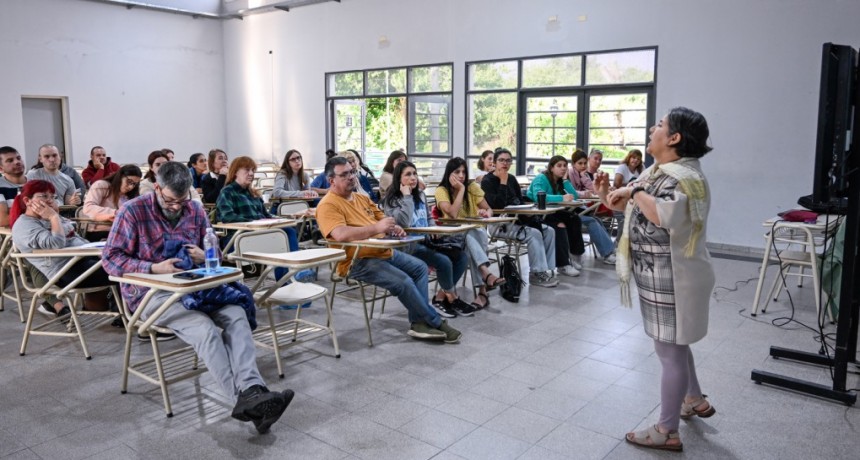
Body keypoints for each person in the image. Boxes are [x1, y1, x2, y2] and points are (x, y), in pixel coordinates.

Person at [102, 161, 294, 434]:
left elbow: (212, 246)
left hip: (196, 288)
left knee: (238, 315)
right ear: (157, 188)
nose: (177, 207)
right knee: (205, 329)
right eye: (170, 200)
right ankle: (244, 402)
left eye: (182, 200)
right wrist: (153, 268)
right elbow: (110, 259)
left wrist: (207, 256)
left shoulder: (194, 208)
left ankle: (252, 389)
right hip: (151, 294)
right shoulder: (132, 211)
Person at [595, 107, 716, 452]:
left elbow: (661, 214)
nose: (653, 128)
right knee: (675, 343)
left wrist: (634, 193)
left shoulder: (682, 177)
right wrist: (608, 195)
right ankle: (692, 398)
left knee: (668, 350)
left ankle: (667, 430)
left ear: (674, 138)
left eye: (660, 125)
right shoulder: (659, 171)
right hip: (662, 274)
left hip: (676, 275)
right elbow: (632, 207)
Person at [316, 156, 462, 343]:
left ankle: (418, 323)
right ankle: (434, 321)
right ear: (331, 181)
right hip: (357, 260)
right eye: (344, 174)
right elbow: (341, 235)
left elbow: (384, 219)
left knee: (419, 268)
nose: (351, 176)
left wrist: (393, 227)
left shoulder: (362, 198)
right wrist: (377, 229)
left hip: (382, 251)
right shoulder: (328, 204)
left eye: (352, 172)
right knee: (404, 281)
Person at [380, 161, 474, 318]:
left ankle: (441, 297)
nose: (413, 178)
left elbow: (429, 217)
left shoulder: (421, 195)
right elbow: (403, 222)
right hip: (408, 246)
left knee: (462, 257)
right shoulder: (392, 200)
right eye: (408, 174)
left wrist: (433, 229)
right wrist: (407, 196)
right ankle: (452, 298)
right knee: (443, 261)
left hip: (428, 241)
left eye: (415, 174)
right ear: (399, 178)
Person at [10, 180, 116, 317]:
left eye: (52, 197)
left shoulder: (47, 217)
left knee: (125, 261)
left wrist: (97, 250)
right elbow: (56, 244)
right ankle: (136, 318)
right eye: (43, 196)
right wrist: (54, 217)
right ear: (27, 200)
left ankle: (129, 315)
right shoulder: (24, 225)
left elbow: (74, 235)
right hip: (66, 272)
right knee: (125, 270)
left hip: (82, 261)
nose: (49, 201)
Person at [480, 148, 558, 288]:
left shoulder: (511, 178)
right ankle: (537, 273)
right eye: (501, 160)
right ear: (495, 162)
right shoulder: (487, 181)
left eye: (508, 160)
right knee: (534, 234)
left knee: (549, 231)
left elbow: (518, 200)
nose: (505, 163)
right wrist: (503, 183)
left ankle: (548, 269)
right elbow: (495, 206)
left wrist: (527, 210)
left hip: (518, 219)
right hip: (499, 223)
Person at [434, 157, 505, 309]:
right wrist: (461, 190)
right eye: (457, 172)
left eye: (464, 172)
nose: (461, 176)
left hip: (472, 235)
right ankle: (483, 287)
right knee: (472, 233)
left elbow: (489, 209)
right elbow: (453, 214)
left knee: (473, 235)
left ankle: (484, 281)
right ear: (448, 173)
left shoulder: (472, 186)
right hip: (450, 236)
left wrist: (486, 214)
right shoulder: (442, 190)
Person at [216, 156, 300, 281]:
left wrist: (280, 219)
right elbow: (227, 217)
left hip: (259, 234)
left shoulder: (254, 193)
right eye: (247, 170)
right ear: (235, 172)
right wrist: (254, 222)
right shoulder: (227, 192)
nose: (251, 173)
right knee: (280, 239)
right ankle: (289, 277)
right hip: (240, 238)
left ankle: (290, 275)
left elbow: (266, 216)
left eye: (253, 170)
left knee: (288, 230)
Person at [527, 156, 616, 267]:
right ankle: (566, 263)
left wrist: (565, 180)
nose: (563, 168)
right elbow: (538, 196)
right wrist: (562, 198)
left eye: (565, 165)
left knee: (576, 219)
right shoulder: (541, 178)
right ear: (551, 168)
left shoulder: (560, 180)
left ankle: (575, 255)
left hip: (557, 211)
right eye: (559, 166)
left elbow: (574, 196)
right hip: (541, 213)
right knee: (579, 221)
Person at [82, 165, 142, 240]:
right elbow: (88, 208)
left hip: (124, 232)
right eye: (129, 181)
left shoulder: (131, 196)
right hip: (101, 231)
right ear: (120, 177)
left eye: (134, 184)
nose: (130, 187)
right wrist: (115, 213)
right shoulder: (101, 185)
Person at [310, 151, 379, 202]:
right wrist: (325, 191)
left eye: (353, 161)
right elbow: (310, 188)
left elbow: (373, 198)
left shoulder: (362, 178)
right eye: (349, 162)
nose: (353, 164)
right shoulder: (326, 175)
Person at [0, 146, 27, 227]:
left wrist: (14, 212)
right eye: (10, 161)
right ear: (1, 169)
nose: (17, 162)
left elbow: (52, 210)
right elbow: (2, 220)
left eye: (18, 158)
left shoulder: (36, 183)